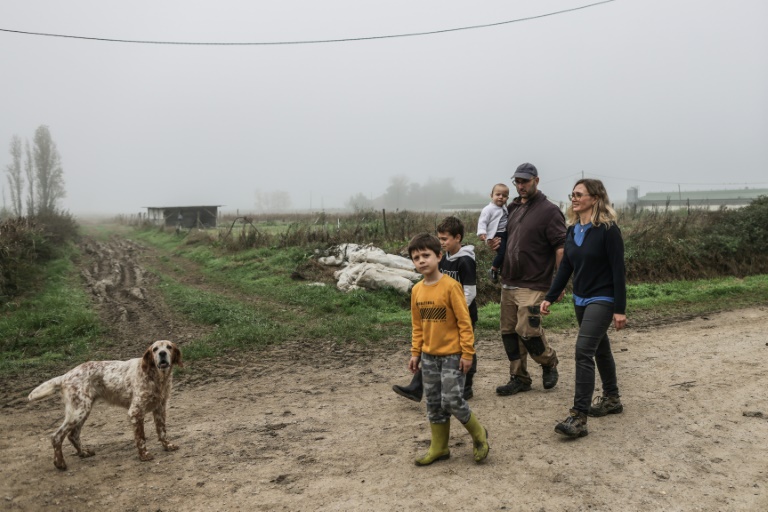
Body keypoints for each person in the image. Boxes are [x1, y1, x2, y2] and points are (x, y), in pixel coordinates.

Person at [540, 179, 627, 438]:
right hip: (580, 299)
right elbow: (566, 266)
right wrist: (551, 296)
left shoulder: (608, 230)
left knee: (583, 351)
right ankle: (612, 398)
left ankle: (578, 417)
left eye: (579, 194)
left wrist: (619, 309)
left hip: (603, 298)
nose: (574, 198)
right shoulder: (572, 230)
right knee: (600, 348)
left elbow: (618, 271)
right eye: (572, 194)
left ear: (595, 198)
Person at [404, 233, 489, 465]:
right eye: (416, 257)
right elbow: (417, 325)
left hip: (453, 356)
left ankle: (479, 433)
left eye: (426, 255)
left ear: (439, 256)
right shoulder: (417, 291)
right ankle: (439, 447)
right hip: (429, 357)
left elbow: (465, 323)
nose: (421, 261)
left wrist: (467, 353)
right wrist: (415, 352)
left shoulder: (452, 287)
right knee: (433, 402)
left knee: (451, 400)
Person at [490, 162, 565, 396]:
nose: (521, 186)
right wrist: (495, 245)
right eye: (518, 182)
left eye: (525, 181)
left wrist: (559, 282)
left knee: (527, 329)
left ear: (536, 181)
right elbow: (504, 238)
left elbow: (561, 248)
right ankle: (520, 377)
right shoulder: (511, 208)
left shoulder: (549, 211)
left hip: (534, 282)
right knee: (509, 331)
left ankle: (548, 362)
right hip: (509, 279)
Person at [392, 216, 478, 400]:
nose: (442, 242)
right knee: (436, 347)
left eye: (445, 238)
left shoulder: (465, 261)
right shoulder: (443, 261)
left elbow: (470, 291)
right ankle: (417, 387)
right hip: (442, 314)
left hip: (463, 314)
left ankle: (467, 385)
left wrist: (456, 311)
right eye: (439, 239)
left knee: (466, 347)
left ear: (458, 238)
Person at [477, 184, 510, 283]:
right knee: (502, 253)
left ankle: (500, 269)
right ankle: (493, 269)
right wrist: (482, 232)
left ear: (507, 198)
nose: (501, 197)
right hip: (497, 234)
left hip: (505, 233)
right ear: (491, 195)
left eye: (504, 196)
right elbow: (482, 221)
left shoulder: (504, 208)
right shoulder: (488, 209)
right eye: (498, 194)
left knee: (508, 252)